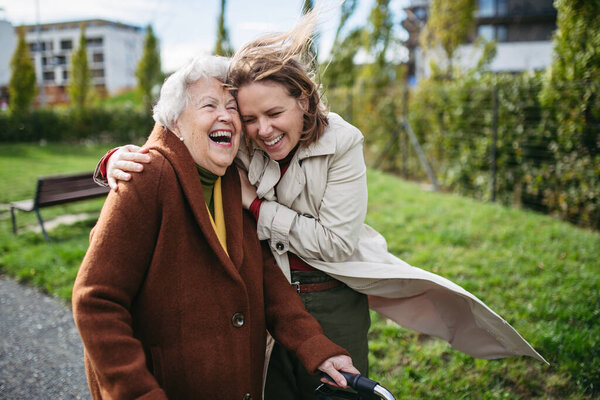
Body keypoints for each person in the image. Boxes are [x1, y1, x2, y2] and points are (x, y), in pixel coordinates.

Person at [96, 12, 546, 399]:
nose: (261, 130)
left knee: (337, 388)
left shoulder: (343, 144)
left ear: (304, 100)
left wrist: (256, 208)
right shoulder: (242, 142)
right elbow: (180, 133)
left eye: (273, 114)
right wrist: (117, 159)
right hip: (268, 297)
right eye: (248, 117)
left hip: (330, 290)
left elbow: (333, 242)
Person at [73, 54, 359, 400]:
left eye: (231, 107)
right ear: (174, 123)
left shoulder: (228, 180)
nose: (226, 115)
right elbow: (96, 301)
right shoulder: (146, 176)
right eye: (209, 105)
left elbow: (263, 275)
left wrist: (317, 347)